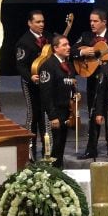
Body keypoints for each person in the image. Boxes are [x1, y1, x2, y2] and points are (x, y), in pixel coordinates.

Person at [75, 9, 108, 159]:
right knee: (93, 114)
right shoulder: (86, 36)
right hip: (93, 81)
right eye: (90, 21)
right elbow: (72, 51)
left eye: (95, 21)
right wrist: (83, 53)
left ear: (104, 22)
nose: (92, 24)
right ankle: (91, 149)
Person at [14, 10, 52, 159]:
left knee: (46, 115)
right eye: (38, 22)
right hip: (31, 84)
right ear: (30, 23)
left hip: (46, 83)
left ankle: (47, 152)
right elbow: (20, 66)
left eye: (42, 21)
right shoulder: (24, 42)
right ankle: (30, 154)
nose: (41, 24)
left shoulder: (49, 37)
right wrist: (31, 77)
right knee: (33, 115)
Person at [34, 34, 77, 162]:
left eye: (68, 44)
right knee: (52, 146)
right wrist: (52, 116)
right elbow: (45, 93)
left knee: (60, 145)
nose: (68, 47)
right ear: (55, 48)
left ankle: (59, 173)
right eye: (64, 45)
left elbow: (70, 83)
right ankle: (49, 175)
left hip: (66, 110)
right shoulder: (48, 66)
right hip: (53, 112)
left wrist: (75, 94)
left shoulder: (69, 65)